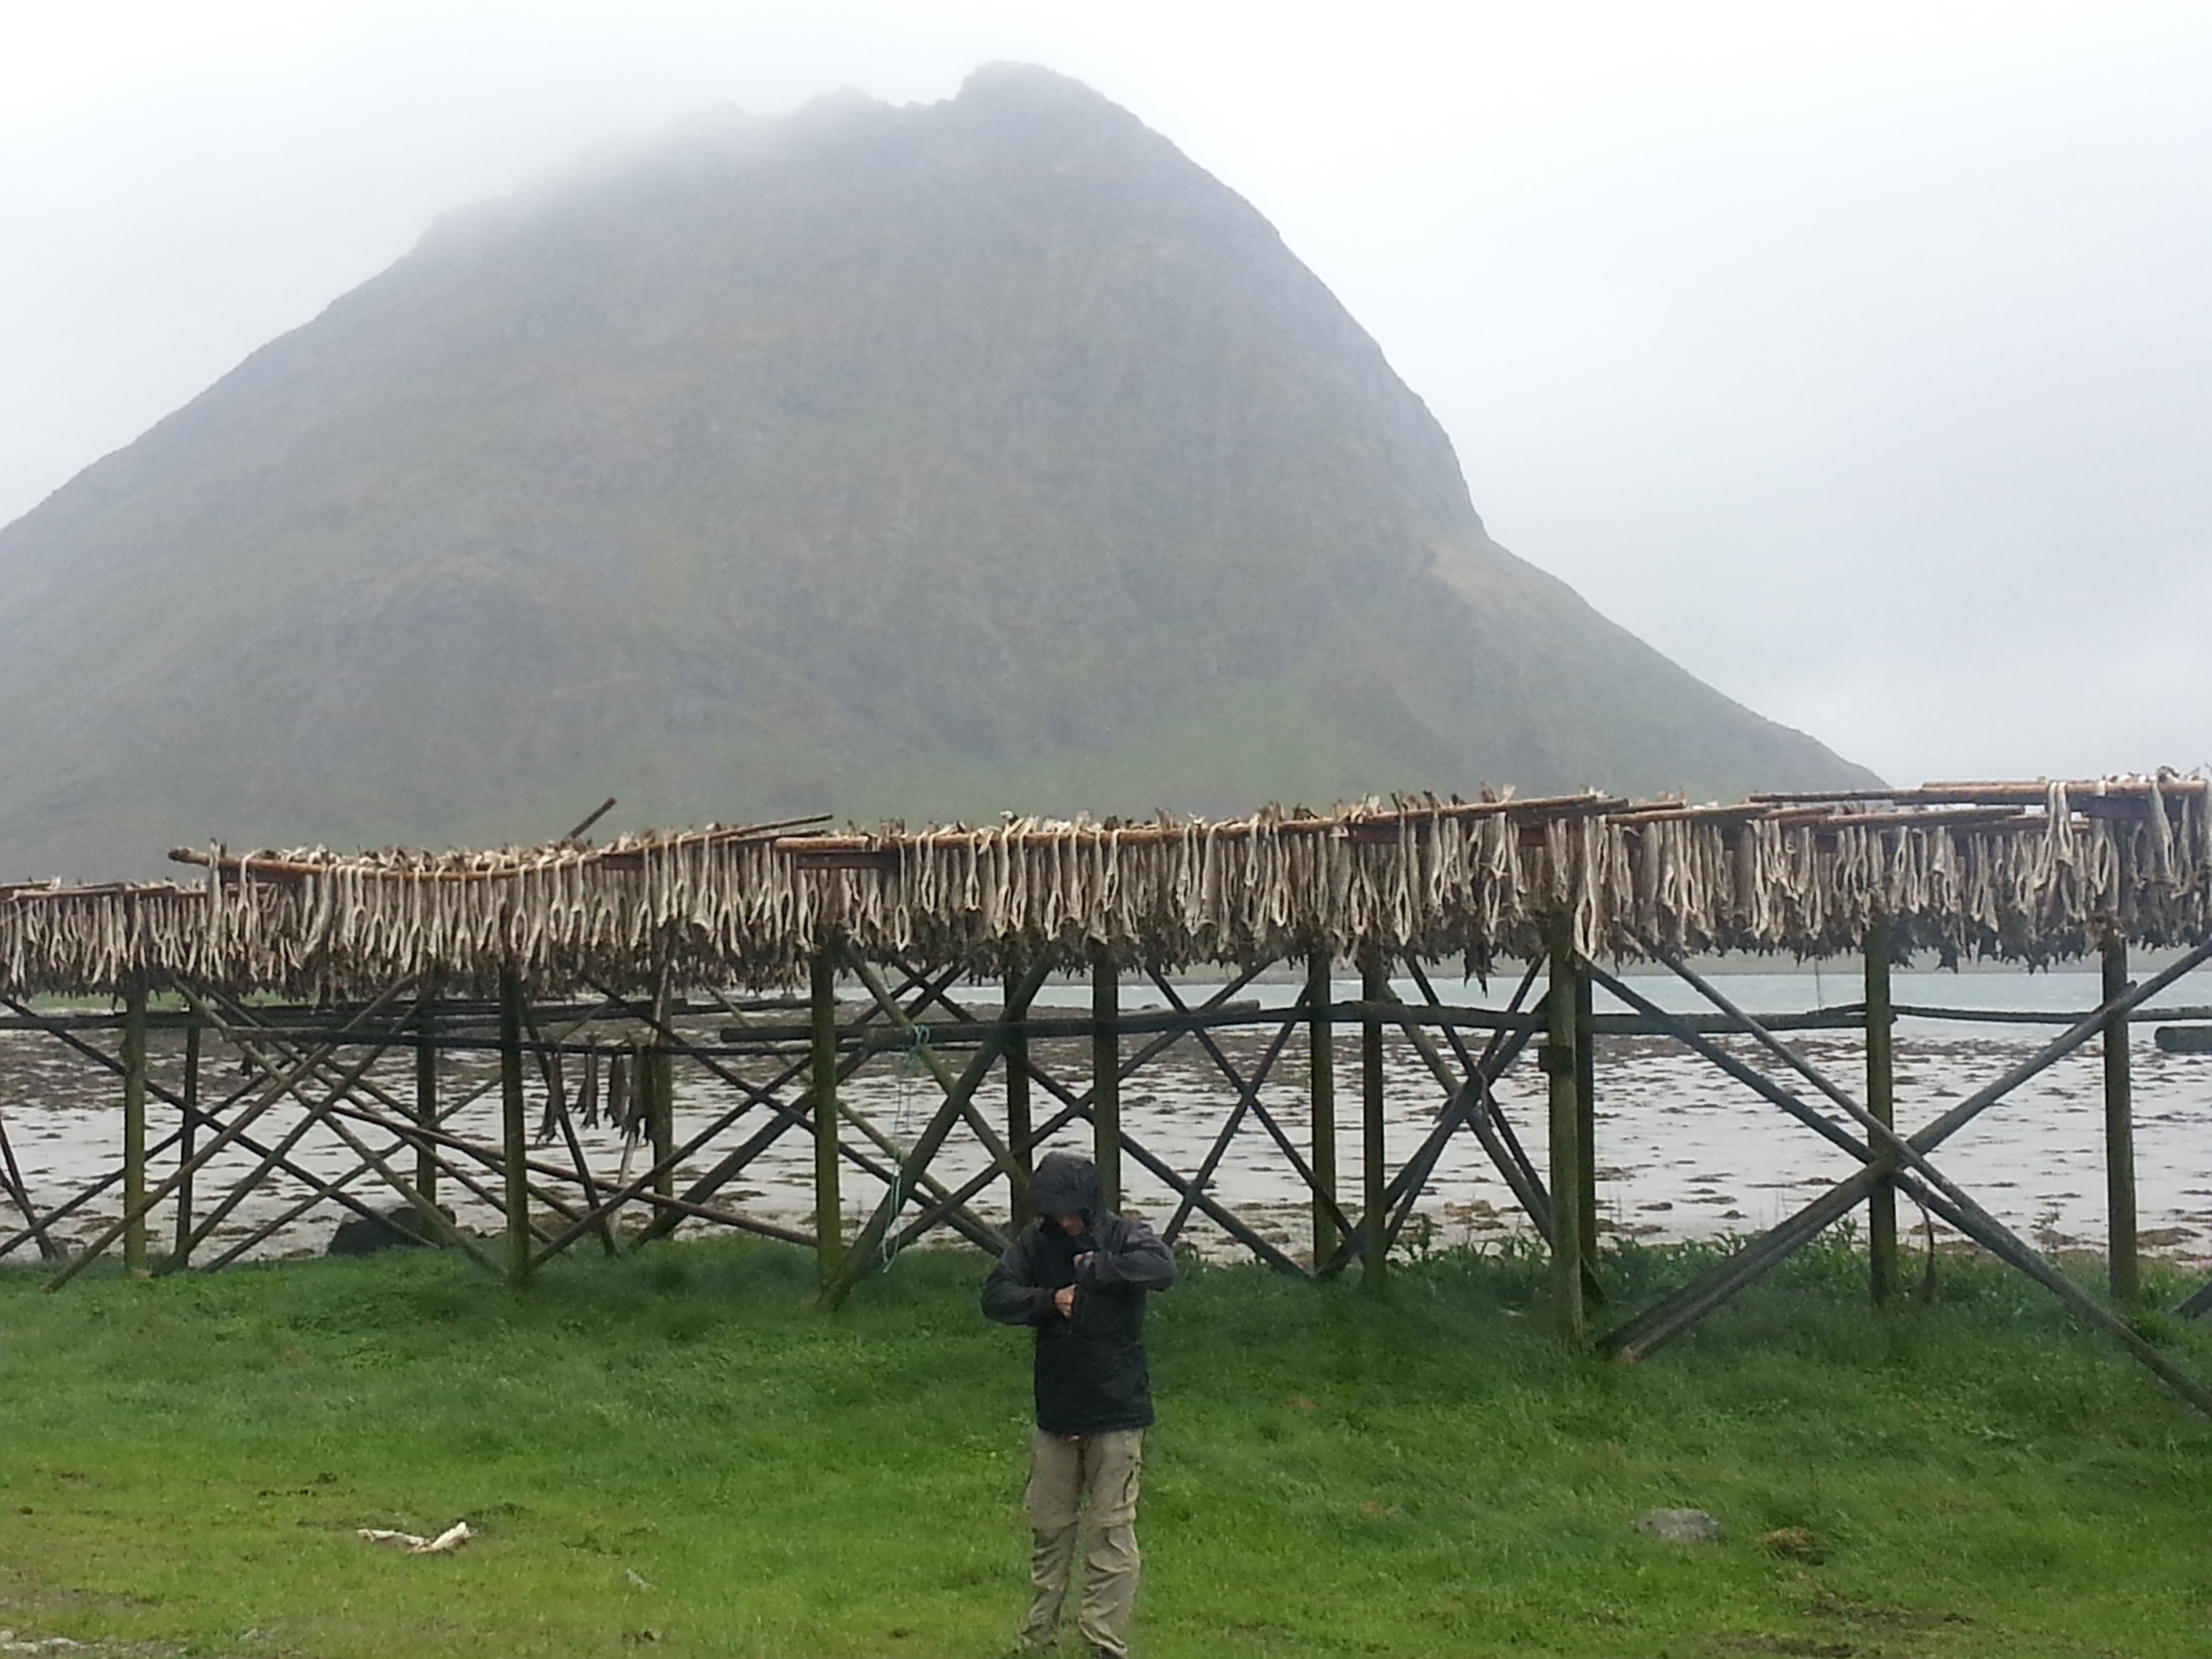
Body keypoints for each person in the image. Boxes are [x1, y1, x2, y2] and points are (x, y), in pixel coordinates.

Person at [982, 1151, 1176, 1659]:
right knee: (1049, 1530)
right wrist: (1049, 1301)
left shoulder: (1125, 1236)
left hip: (1117, 1409)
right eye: (1053, 1211)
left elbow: (1162, 1268)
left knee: (1111, 1534)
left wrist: (1096, 1271)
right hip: (1058, 1409)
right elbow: (996, 1297)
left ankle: (1103, 1645)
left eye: (1069, 1211)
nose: (1062, 1220)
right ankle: (1037, 1637)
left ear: (1089, 1205)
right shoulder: (1033, 1244)